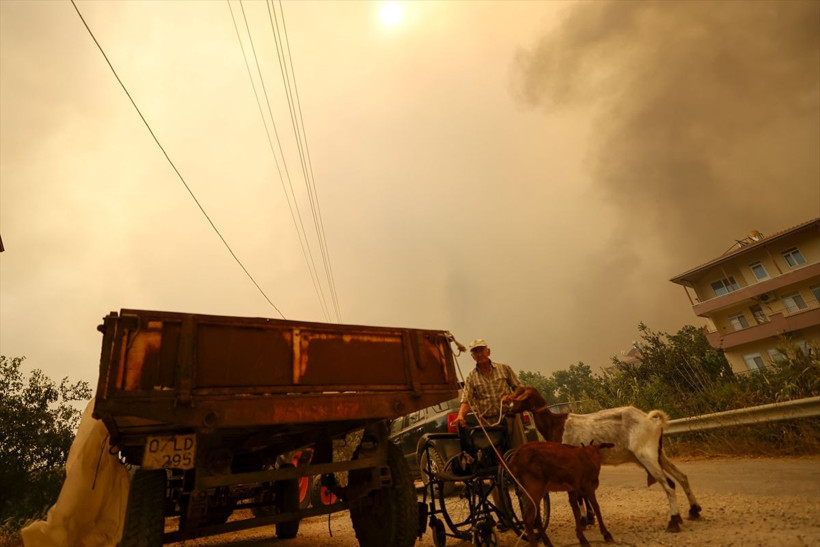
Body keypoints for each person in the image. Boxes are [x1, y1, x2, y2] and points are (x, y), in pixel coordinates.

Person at [454, 338, 527, 449]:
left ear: (488, 351)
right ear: (473, 357)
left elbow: (519, 388)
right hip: (487, 422)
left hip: (509, 417)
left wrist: (512, 397)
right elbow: (466, 400)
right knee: (494, 454)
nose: (479, 354)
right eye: (475, 352)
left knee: (519, 449)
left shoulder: (503, 368)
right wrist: (460, 416)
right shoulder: (471, 377)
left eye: (481, 350)